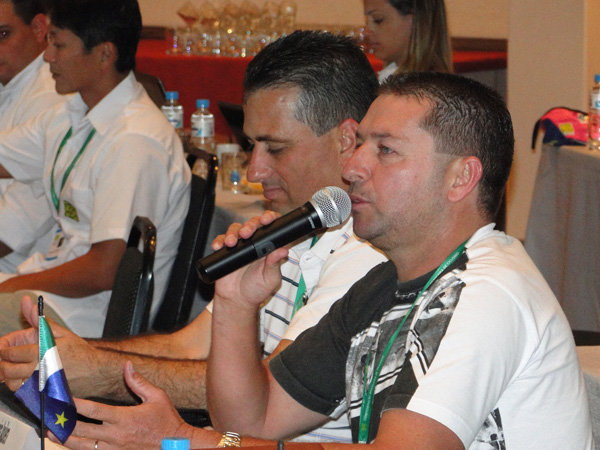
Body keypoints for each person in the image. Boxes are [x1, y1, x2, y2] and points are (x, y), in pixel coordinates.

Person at [0, 30, 387, 447]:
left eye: (274, 148)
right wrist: (83, 355)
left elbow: (263, 401)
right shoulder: (293, 227)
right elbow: (188, 346)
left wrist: (104, 374)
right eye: (250, 145)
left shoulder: (367, 254)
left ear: (347, 139)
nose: (254, 171)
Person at [202, 72, 593, 448]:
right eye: (359, 145)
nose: (351, 168)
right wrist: (237, 302)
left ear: (461, 178)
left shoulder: (484, 291)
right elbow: (251, 422)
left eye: (385, 150)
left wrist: (194, 442)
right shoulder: (382, 286)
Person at [0, 0, 190, 338]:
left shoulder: (134, 139)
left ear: (104, 54)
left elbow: (105, 269)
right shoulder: (73, 112)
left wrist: (12, 286)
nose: (48, 57)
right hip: (51, 290)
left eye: (59, 45)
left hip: (89, 318)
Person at [0, 0, 67, 273]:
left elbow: (9, 231)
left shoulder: (54, 98)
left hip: (20, 273)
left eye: (3, 34)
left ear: (40, 28)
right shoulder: (11, 81)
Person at [364, 0, 452, 82]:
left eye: (378, 19)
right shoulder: (392, 76)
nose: (368, 30)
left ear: (416, 19)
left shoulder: (422, 86)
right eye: (367, 21)